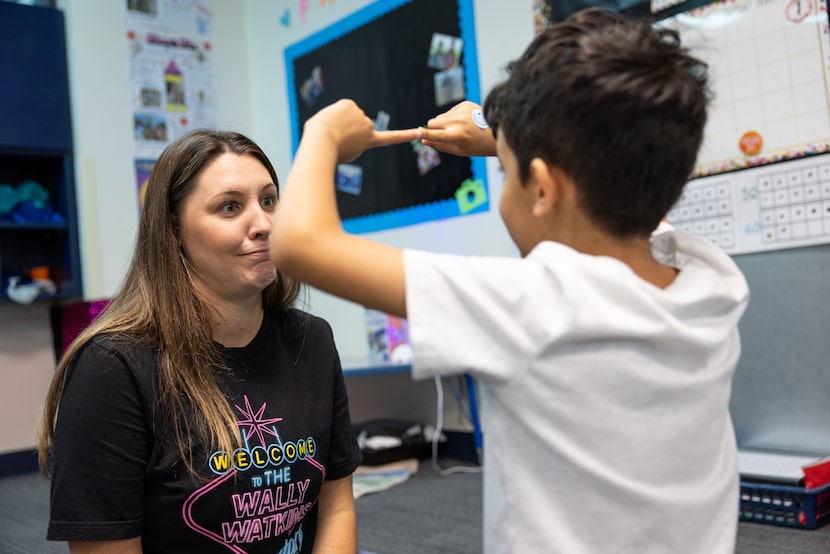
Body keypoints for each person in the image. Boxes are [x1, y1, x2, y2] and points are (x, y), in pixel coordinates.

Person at [269, 7, 750, 553]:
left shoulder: (533, 303)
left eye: (507, 171)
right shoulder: (709, 276)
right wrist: (507, 139)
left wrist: (323, 133)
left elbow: (298, 243)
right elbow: (624, 171)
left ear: (543, 188)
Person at [38, 129, 363, 553]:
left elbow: (337, 508)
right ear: (173, 231)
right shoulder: (112, 368)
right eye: (230, 207)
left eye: (269, 200)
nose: (264, 224)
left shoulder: (312, 339)